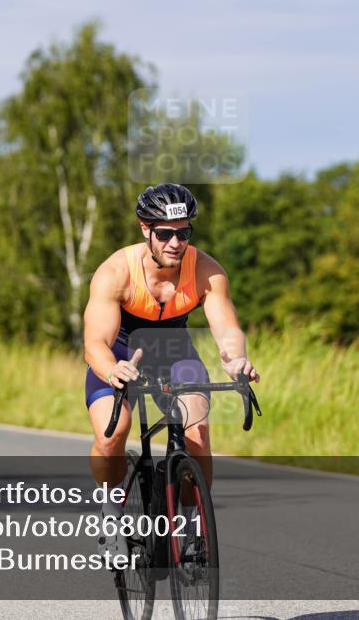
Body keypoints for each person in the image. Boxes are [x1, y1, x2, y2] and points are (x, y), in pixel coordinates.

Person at [83, 183, 260, 558]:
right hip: (120, 352)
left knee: (198, 430)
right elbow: (95, 343)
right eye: (165, 233)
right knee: (113, 432)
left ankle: (193, 529)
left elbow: (227, 328)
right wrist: (112, 370)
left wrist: (236, 360)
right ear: (145, 228)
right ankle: (110, 514)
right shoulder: (115, 272)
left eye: (183, 233)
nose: (175, 243)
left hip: (175, 351)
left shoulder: (206, 270)